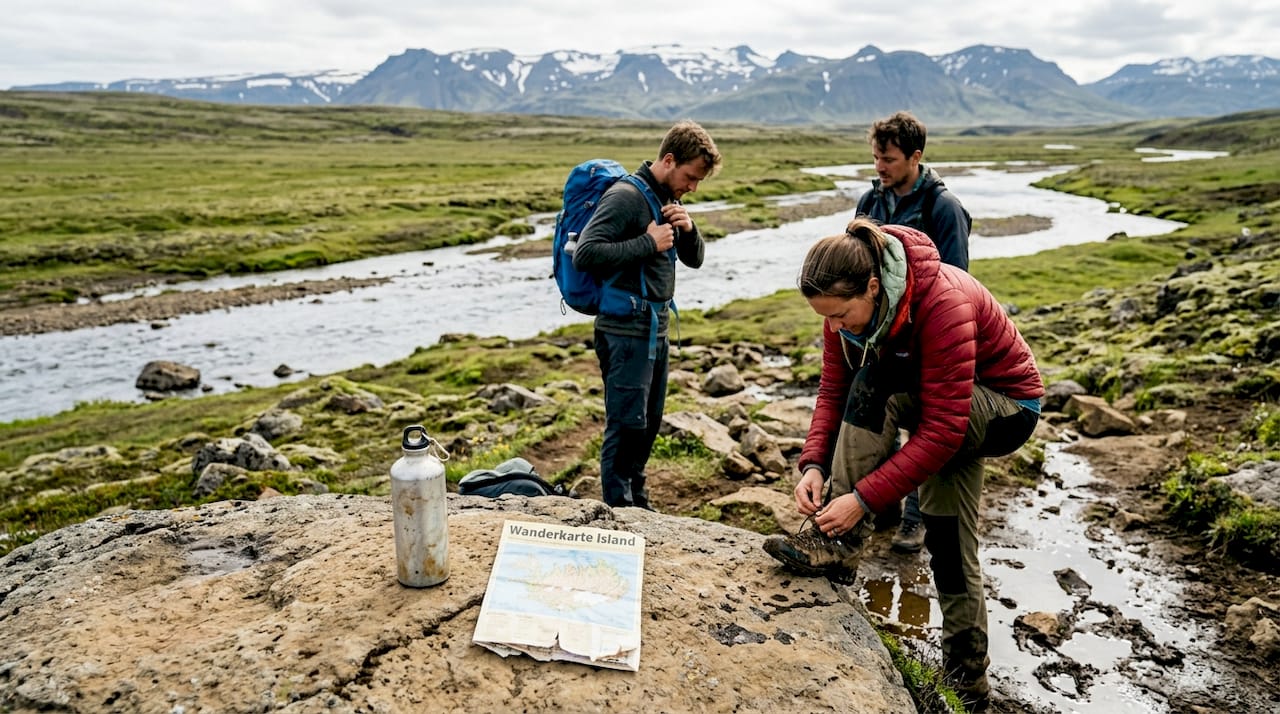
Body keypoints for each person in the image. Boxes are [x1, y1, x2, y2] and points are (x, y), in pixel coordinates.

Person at [762, 217, 1043, 709]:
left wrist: (862, 499)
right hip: (942, 407)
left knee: (877, 383)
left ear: (874, 286)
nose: (833, 327)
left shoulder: (942, 302)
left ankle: (839, 540)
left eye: (842, 315)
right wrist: (813, 464)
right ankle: (969, 687)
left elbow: (943, 430)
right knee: (949, 539)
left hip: (1005, 409)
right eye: (825, 317)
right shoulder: (846, 312)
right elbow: (833, 390)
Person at [572, 120, 722, 510]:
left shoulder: (668, 198)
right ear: (669, 160)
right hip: (624, 328)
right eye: (690, 177)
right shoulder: (625, 197)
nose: (692, 187)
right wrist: (647, 242)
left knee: (649, 422)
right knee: (626, 425)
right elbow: (587, 253)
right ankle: (619, 513)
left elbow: (695, 259)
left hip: (654, 327)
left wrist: (688, 231)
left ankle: (639, 504)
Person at [855, 110, 972, 554]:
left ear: (915, 157)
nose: (879, 167)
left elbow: (956, 280)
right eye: (875, 157)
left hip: (925, 338)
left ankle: (913, 518)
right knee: (873, 415)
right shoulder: (871, 202)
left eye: (886, 159)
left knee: (923, 424)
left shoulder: (945, 209)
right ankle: (879, 504)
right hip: (877, 335)